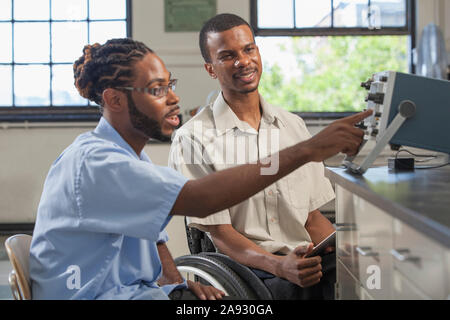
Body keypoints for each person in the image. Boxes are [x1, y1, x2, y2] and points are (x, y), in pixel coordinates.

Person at [29, 38, 371, 300]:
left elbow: (155, 237)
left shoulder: (129, 158)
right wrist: (307, 150)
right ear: (115, 100)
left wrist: (177, 288)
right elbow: (202, 198)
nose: (173, 98)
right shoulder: (97, 162)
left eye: (170, 85)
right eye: (157, 90)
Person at [168, 14, 343, 300]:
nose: (243, 61)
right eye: (227, 56)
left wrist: (342, 249)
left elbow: (312, 218)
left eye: (248, 49)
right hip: (248, 270)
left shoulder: (293, 127)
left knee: (366, 273)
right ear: (210, 69)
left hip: (303, 260)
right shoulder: (193, 139)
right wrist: (280, 266)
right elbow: (220, 234)